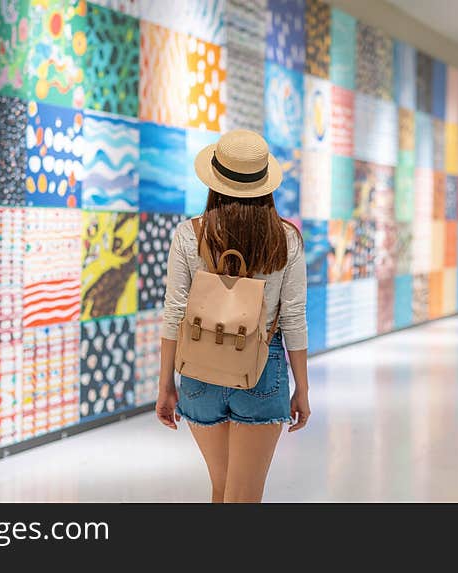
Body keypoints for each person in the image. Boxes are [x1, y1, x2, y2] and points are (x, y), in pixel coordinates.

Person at [155, 129, 310, 503]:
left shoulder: (189, 234)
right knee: (243, 497)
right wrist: (301, 388)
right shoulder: (285, 238)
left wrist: (165, 385)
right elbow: (293, 318)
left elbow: (175, 312)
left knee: (223, 490)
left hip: (198, 372)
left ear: (215, 180)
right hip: (262, 370)